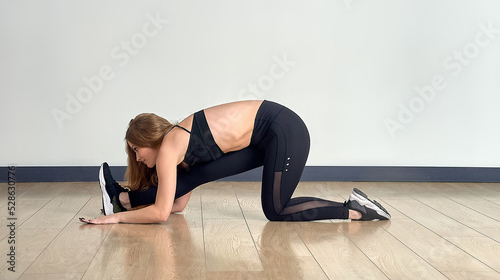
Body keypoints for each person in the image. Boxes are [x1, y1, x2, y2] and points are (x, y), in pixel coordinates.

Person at [80, 100, 390, 224]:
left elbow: (161, 214)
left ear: (151, 140)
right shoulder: (177, 150)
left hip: (284, 132)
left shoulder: (170, 147)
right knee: (193, 177)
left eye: (136, 149)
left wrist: (115, 220)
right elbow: (176, 204)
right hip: (268, 137)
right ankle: (120, 198)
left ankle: (354, 209)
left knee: (276, 210)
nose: (136, 157)